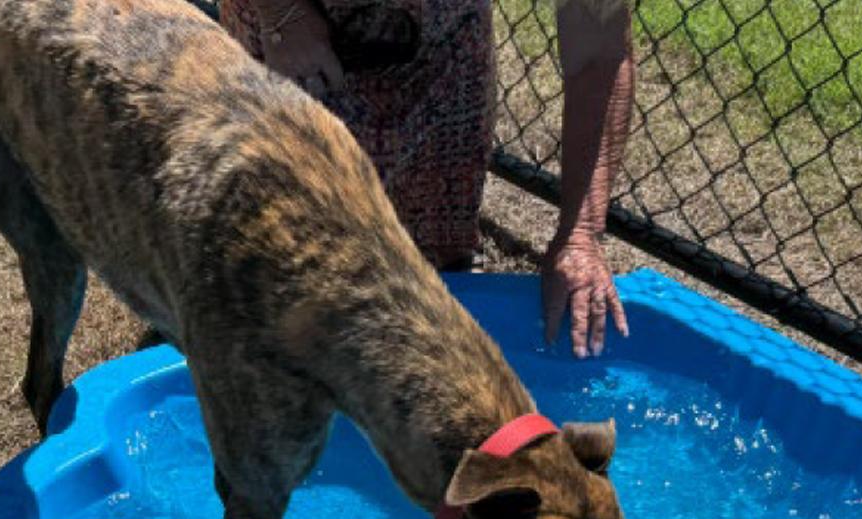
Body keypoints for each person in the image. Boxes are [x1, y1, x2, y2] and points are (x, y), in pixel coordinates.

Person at [218, 0, 635, 357]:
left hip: (443, 41)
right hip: (300, 29)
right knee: (285, 274)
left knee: (432, 270)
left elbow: (599, 46)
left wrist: (580, 233)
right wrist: (282, 16)